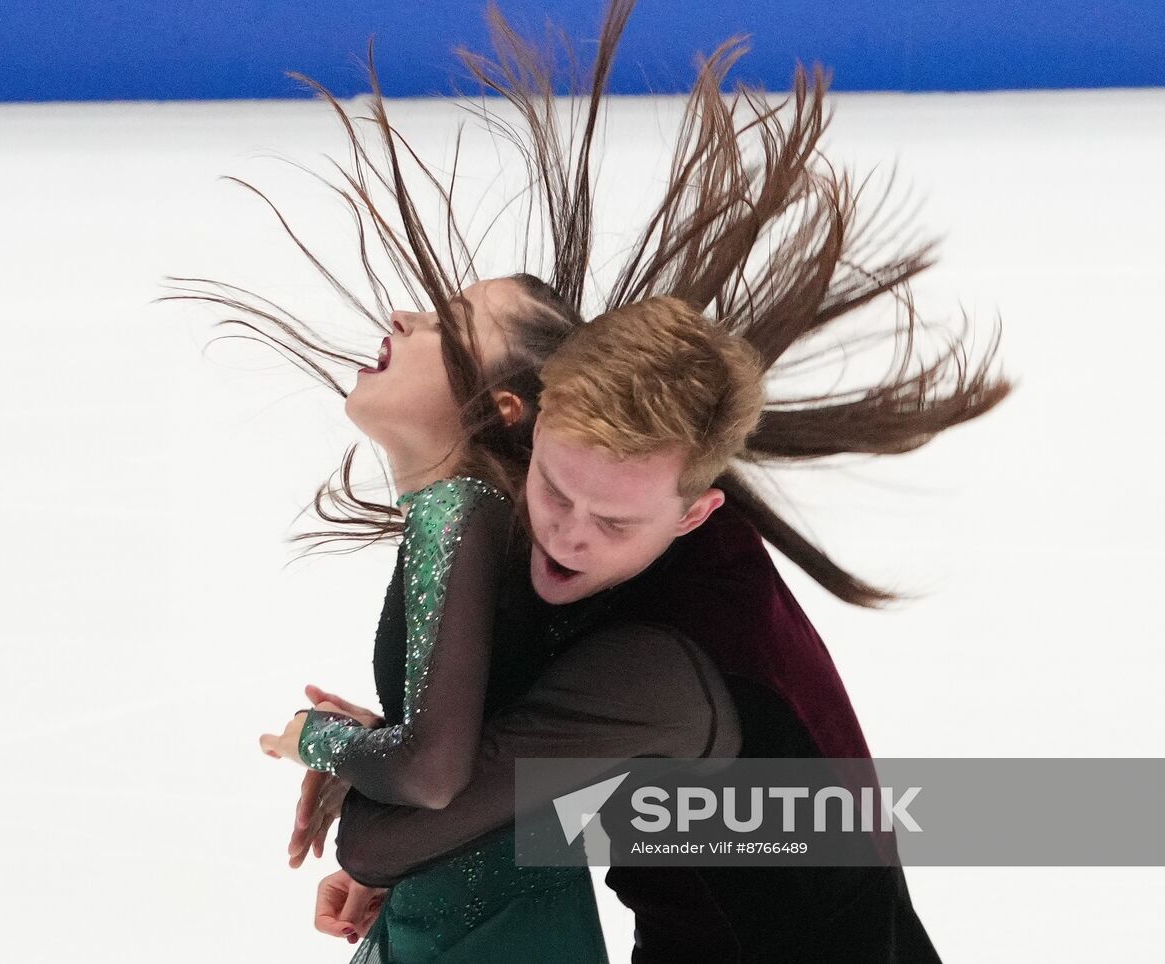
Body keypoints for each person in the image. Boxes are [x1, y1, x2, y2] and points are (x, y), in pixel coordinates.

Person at [167, 0, 1011, 958]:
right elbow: (552, 781)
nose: (568, 535)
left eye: (611, 523)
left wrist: (361, 767)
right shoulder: (583, 530)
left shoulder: (656, 662)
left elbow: (386, 834)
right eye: (554, 492)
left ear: (697, 515)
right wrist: (416, 767)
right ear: (531, 433)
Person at [252, 274, 617, 962]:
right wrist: (378, 764)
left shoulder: (460, 511)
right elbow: (479, 743)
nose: (401, 315)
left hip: (485, 936)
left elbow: (432, 772)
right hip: (467, 917)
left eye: (446, 324)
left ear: (500, 407)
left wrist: (316, 738)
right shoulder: (474, 516)